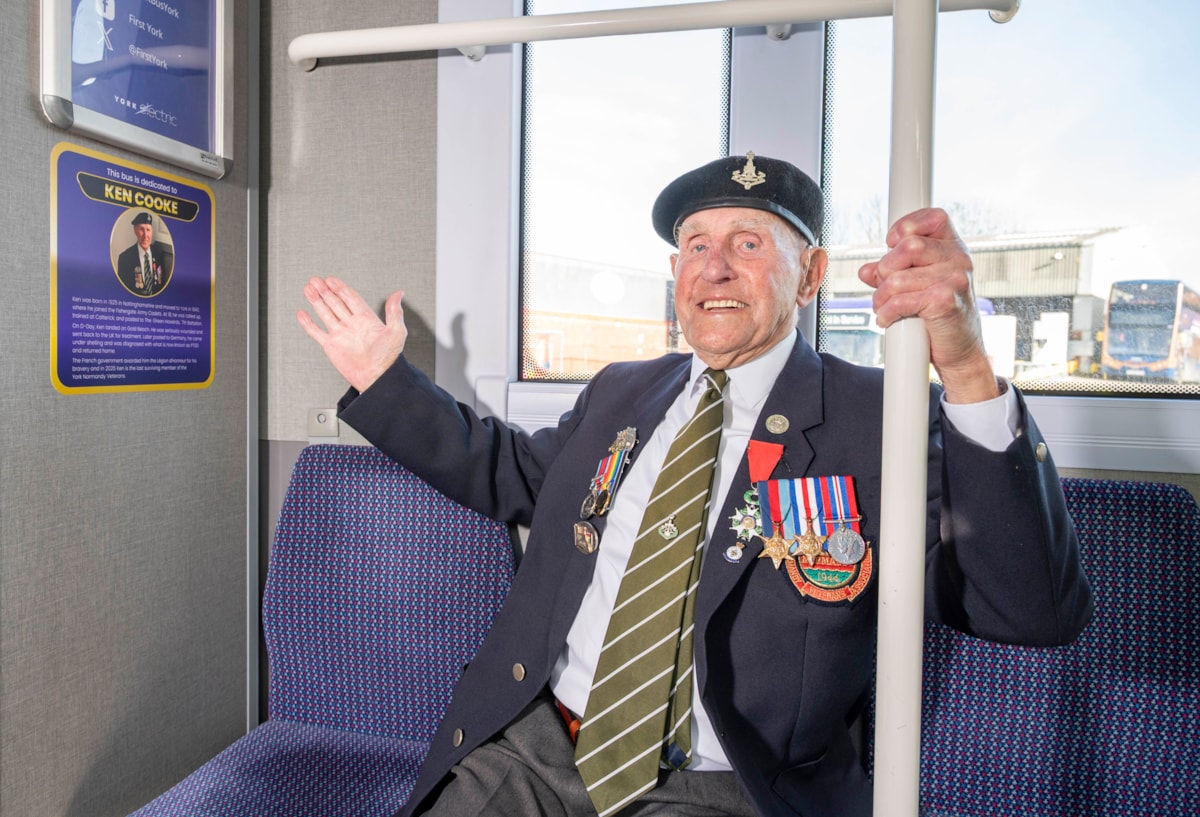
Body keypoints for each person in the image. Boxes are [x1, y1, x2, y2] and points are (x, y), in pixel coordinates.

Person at [297, 153, 1093, 817]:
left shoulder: (876, 417)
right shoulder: (621, 391)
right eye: (695, 243)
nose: (714, 267)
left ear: (810, 274)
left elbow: (1028, 608)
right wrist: (385, 381)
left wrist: (964, 367)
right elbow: (513, 474)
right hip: (537, 753)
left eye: (749, 243)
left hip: (728, 786)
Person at [116, 210, 173, 297]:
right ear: (135, 230)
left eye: (148, 230)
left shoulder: (159, 254)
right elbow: (122, 293)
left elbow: (162, 284)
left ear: (152, 231)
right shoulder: (125, 258)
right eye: (142, 229)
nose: (145, 235)